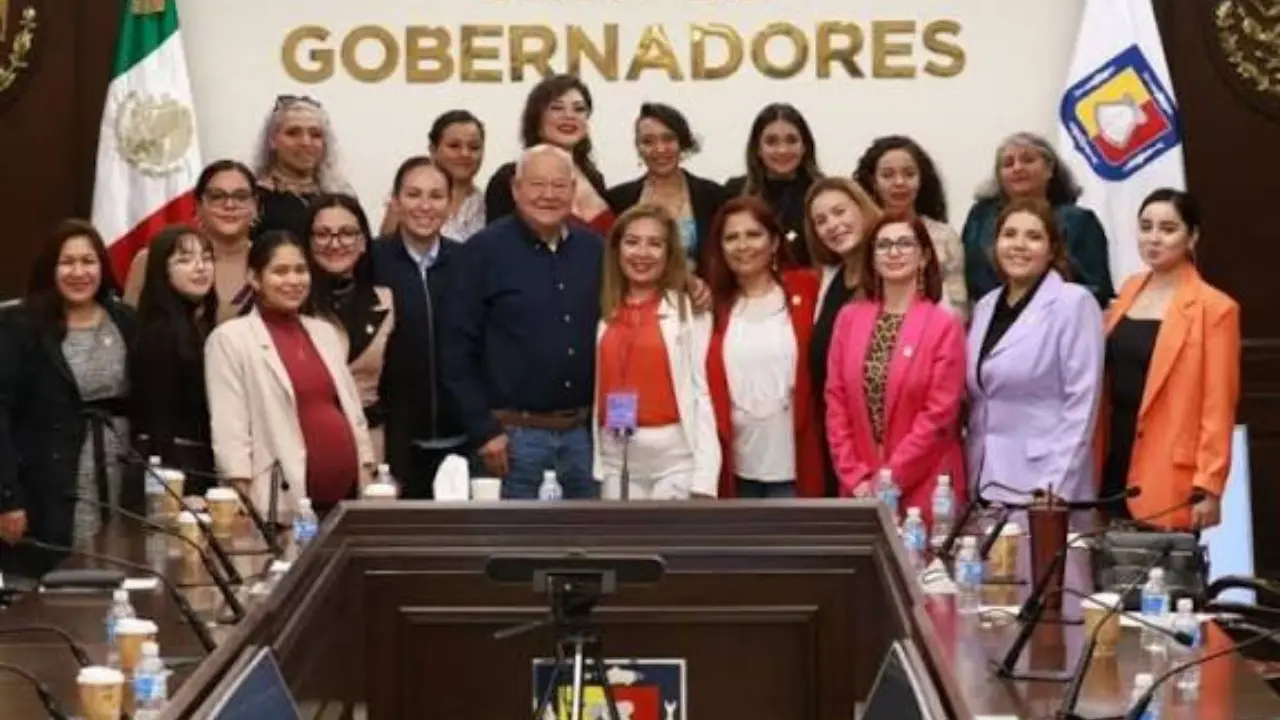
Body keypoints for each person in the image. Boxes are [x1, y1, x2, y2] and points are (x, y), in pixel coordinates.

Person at [446, 145, 605, 499]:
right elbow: (455, 350)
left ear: (573, 190)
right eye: (537, 184)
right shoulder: (482, 251)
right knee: (513, 550)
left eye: (559, 185)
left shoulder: (595, 251)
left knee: (587, 549)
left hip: (584, 439)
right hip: (512, 440)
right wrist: (484, 432)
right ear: (516, 189)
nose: (548, 195)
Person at [1095, 189, 1240, 530]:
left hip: (1170, 469)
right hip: (1115, 451)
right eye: (1146, 227)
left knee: (1163, 578)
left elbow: (1217, 405)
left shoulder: (1215, 308)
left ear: (1192, 237)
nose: (1154, 238)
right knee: (1108, 573)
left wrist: (1209, 485)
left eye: (1168, 229)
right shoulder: (1129, 290)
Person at [0, 221, 138, 578]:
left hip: (118, 474)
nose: (79, 272)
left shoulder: (124, 319)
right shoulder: (19, 325)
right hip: (44, 481)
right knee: (50, 588)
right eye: (67, 262)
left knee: (115, 576)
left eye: (88, 261)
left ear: (102, 267)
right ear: (51, 268)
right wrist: (7, 499)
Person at [205, 231, 374, 517]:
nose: (293, 281)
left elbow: (353, 415)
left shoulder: (325, 332)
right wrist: (244, 507)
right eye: (280, 272)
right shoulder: (230, 339)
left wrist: (368, 472)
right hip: (278, 507)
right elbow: (230, 433)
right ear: (255, 279)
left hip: (347, 504)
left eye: (300, 270)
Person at [824, 214, 967, 524]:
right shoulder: (848, 319)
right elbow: (836, 404)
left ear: (924, 256)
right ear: (872, 258)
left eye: (905, 243)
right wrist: (856, 478)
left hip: (926, 485)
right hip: (859, 487)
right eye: (884, 245)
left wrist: (888, 480)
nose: (894, 252)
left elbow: (938, 416)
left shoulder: (944, 324)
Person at [966, 198, 1104, 508]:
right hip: (984, 481)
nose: (1019, 245)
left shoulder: (1073, 303)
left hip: (1045, 485)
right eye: (1010, 234)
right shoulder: (986, 305)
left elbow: (1082, 402)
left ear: (1052, 250)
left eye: (1034, 236)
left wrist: (1055, 484)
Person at [593, 204, 719, 500]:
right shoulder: (601, 308)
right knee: (623, 546)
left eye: (655, 244)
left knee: (669, 546)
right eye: (632, 242)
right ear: (616, 248)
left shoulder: (690, 310)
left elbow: (703, 394)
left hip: (674, 460)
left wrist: (705, 477)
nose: (642, 253)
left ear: (669, 253)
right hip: (615, 458)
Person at [703, 197, 823, 499]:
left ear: (774, 242)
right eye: (731, 237)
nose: (743, 245)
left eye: (754, 234)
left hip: (795, 465)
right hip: (737, 468)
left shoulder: (809, 289)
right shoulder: (711, 305)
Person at [372, 157, 469, 497]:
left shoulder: (468, 262)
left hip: (462, 440)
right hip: (393, 443)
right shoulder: (371, 261)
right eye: (413, 195)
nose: (425, 206)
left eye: (436, 196)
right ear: (395, 202)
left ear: (450, 203)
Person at [960, 132, 1114, 307]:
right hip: (992, 315)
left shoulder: (1079, 221)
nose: (1017, 168)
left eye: (1027, 160)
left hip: (1058, 318)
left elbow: (1097, 290)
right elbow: (966, 277)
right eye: (1008, 163)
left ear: (1049, 169)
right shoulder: (980, 217)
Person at [803, 177, 881, 495]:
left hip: (878, 441)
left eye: (839, 212)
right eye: (821, 221)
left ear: (861, 209)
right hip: (838, 437)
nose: (833, 225)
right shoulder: (831, 279)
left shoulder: (889, 271)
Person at [304, 194, 395, 464]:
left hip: (370, 447)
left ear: (363, 242)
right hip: (304, 445)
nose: (335, 243)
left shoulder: (388, 302)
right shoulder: (290, 305)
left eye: (347, 233)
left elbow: (401, 393)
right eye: (322, 234)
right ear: (307, 243)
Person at [129, 225, 218, 493]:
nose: (200, 267)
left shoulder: (199, 326)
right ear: (162, 271)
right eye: (185, 260)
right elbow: (157, 418)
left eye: (206, 258)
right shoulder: (161, 333)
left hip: (197, 463)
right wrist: (174, 487)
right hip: (174, 470)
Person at [124, 160, 259, 323]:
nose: (229, 205)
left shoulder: (270, 262)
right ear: (198, 206)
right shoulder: (153, 259)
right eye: (217, 196)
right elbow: (129, 331)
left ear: (255, 205)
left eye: (241, 197)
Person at [853, 135, 967, 317]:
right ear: (873, 181)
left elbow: (958, 306)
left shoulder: (944, 236)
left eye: (909, 174)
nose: (899, 182)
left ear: (921, 179)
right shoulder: (861, 234)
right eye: (888, 175)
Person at [484, 75, 613, 234]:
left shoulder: (595, 178)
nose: (569, 116)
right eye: (557, 108)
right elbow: (496, 243)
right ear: (537, 119)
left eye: (579, 109)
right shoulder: (509, 177)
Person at [605, 103, 727, 267]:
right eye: (648, 141)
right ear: (638, 148)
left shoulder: (713, 196)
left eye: (668, 139)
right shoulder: (618, 200)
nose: (660, 149)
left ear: (682, 142)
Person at [724, 103, 822, 266]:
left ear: (805, 146)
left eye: (791, 140)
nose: (782, 150)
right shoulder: (735, 191)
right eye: (771, 142)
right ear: (757, 149)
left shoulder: (823, 192)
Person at [250, 95, 353, 243]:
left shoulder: (341, 195)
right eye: (293, 133)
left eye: (315, 135)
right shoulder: (255, 199)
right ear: (272, 140)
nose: (306, 142)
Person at [380, 110, 487, 241]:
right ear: (433, 149)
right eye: (454, 146)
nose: (465, 153)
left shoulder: (488, 203)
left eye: (474, 147)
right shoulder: (410, 196)